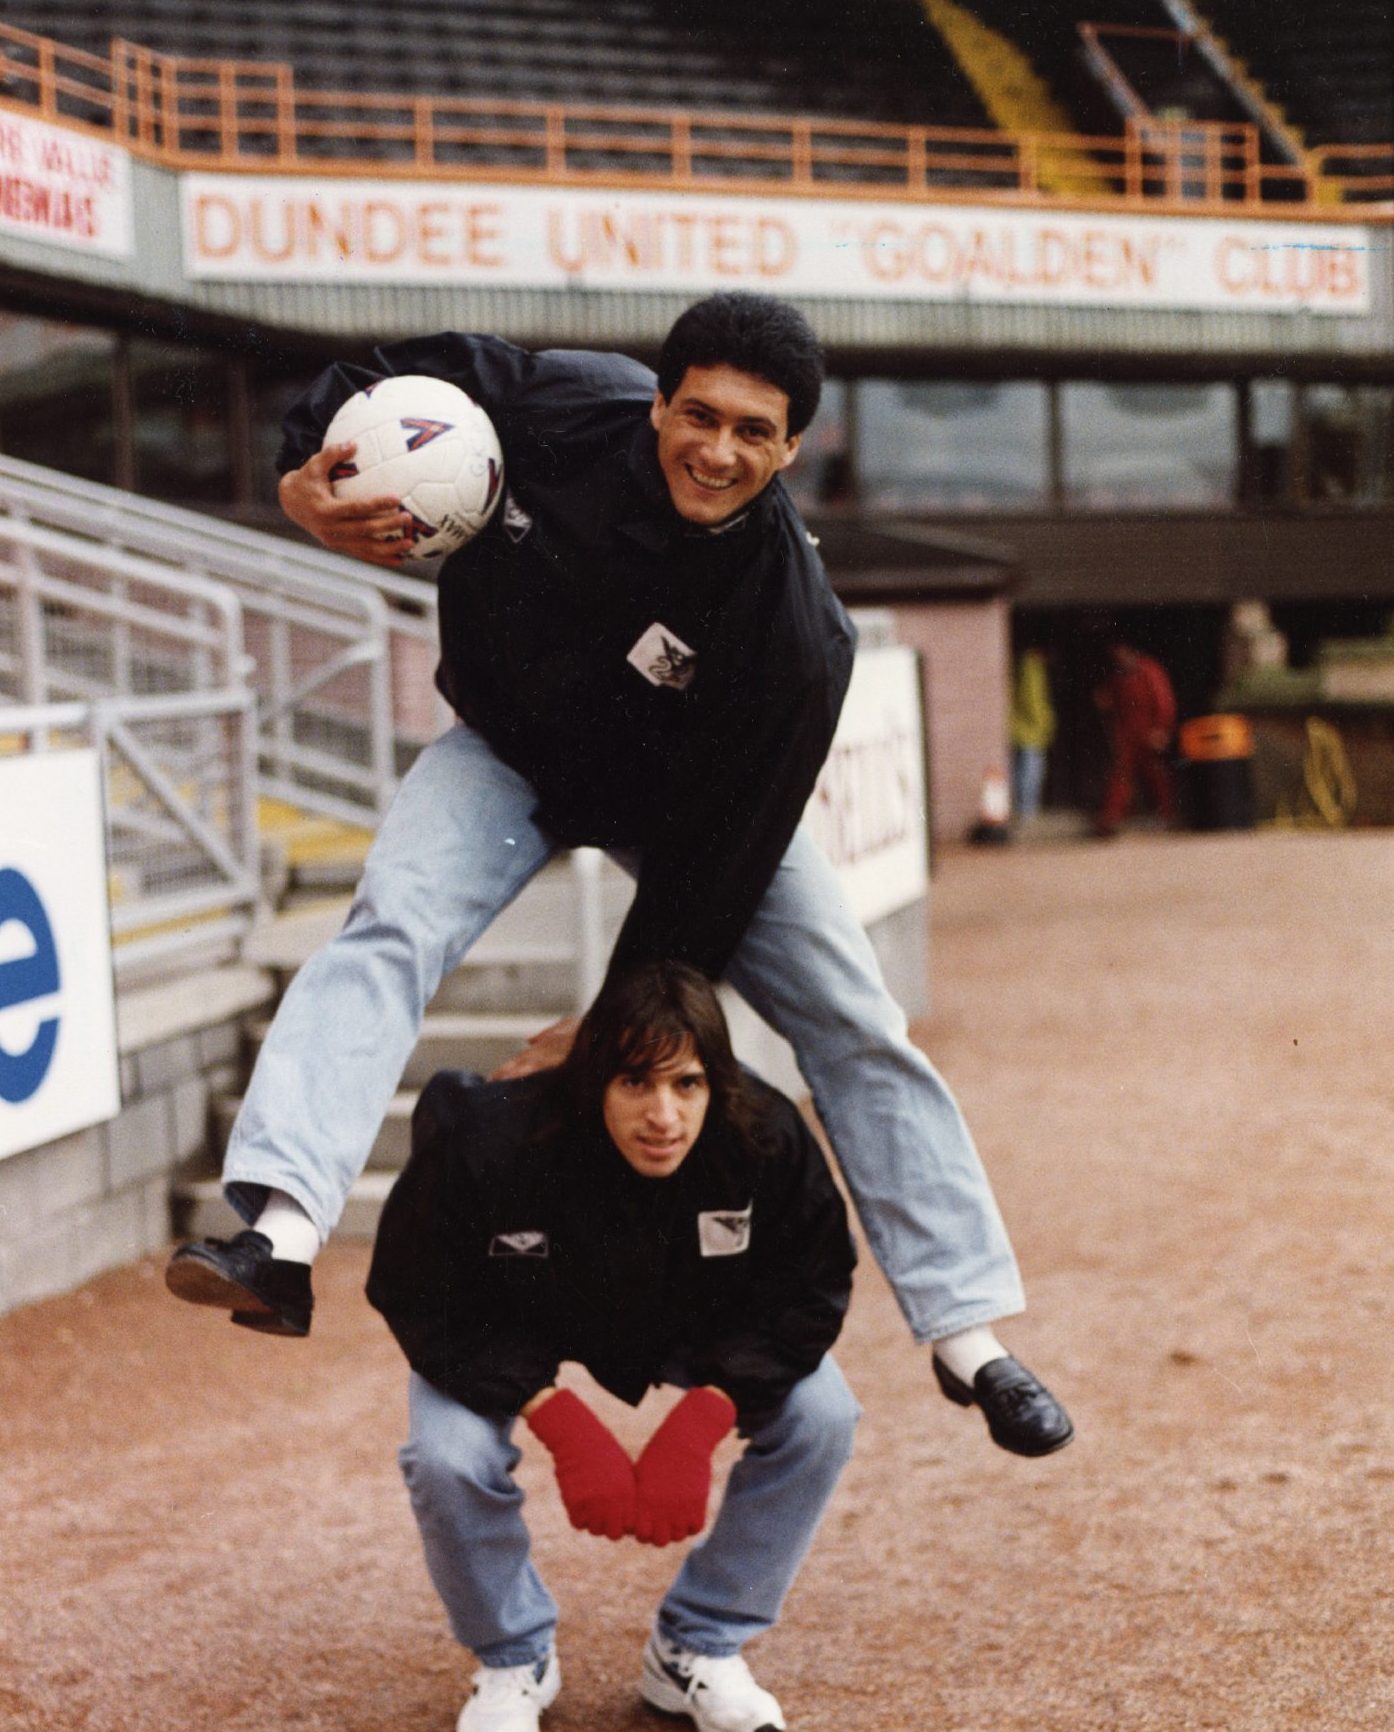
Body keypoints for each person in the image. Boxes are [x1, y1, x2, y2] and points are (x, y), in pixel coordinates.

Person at [165, 291, 1071, 1459]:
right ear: (655, 401)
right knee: (388, 926)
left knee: (854, 1017)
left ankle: (967, 1334)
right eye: (698, 414)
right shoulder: (560, 403)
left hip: (690, 809)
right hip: (508, 754)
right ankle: (279, 1240)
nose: (717, 448)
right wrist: (303, 472)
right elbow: (380, 368)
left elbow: (718, 868)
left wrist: (613, 1029)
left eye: (753, 431)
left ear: (792, 447)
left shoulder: (798, 640)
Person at [367, 961, 860, 1732]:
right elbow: (418, 1289)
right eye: (636, 1082)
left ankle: (699, 1644)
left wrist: (709, 1412)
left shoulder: (762, 1134)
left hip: (694, 1320)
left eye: (689, 1085)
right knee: (446, 1453)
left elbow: (811, 1286)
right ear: (593, 1078)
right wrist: (553, 1414)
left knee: (824, 1415)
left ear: (717, 1083)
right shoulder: (489, 1135)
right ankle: (512, 1656)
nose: (664, 1115)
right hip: (522, 1319)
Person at [1094, 641, 1177, 837]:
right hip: (1126, 734)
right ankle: (1111, 819)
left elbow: (1164, 701)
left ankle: (1167, 815)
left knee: (1156, 776)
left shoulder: (1149, 671)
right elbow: (1112, 702)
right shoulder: (1118, 676)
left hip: (1149, 732)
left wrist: (1161, 729)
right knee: (1121, 775)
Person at [1010, 646, 1055, 823]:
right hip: (1030, 731)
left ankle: (1024, 810)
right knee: (1031, 772)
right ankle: (1027, 812)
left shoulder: (1024, 666)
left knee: (1022, 770)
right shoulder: (1032, 669)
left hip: (1021, 729)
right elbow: (1032, 701)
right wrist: (1046, 724)